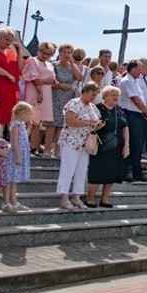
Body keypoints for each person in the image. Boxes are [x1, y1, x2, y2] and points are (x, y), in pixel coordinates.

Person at [56, 82, 103, 210]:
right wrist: (88, 123)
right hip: (71, 141)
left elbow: (95, 120)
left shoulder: (92, 107)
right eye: (92, 94)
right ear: (85, 91)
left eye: (95, 95)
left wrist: (97, 125)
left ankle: (76, 197)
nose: (93, 97)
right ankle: (64, 198)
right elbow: (70, 121)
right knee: (68, 169)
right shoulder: (74, 103)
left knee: (81, 171)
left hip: (84, 144)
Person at [85, 86, 129, 208]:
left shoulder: (119, 110)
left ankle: (105, 199)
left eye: (117, 95)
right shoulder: (97, 108)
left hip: (116, 146)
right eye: (113, 95)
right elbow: (90, 125)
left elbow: (125, 128)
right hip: (100, 146)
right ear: (105, 96)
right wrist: (96, 126)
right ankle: (90, 199)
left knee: (112, 173)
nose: (116, 97)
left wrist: (127, 145)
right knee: (97, 172)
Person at [118, 60, 147, 181]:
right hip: (129, 114)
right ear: (132, 69)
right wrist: (146, 111)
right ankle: (124, 171)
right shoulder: (127, 81)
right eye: (139, 68)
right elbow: (135, 100)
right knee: (130, 143)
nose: (141, 71)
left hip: (138, 115)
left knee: (137, 145)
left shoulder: (136, 81)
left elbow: (141, 99)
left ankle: (136, 172)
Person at [23, 41, 57, 157]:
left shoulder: (50, 64)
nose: (45, 55)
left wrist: (43, 82)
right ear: (39, 50)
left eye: (49, 54)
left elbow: (53, 80)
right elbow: (34, 78)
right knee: (29, 120)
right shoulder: (32, 60)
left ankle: (33, 147)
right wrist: (40, 90)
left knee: (39, 122)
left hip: (46, 93)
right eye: (44, 52)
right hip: (34, 92)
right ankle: (23, 146)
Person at [50, 43, 84, 155]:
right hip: (56, 94)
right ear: (59, 53)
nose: (66, 54)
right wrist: (60, 85)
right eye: (64, 52)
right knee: (52, 123)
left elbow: (80, 78)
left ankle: (59, 150)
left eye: (69, 52)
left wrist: (73, 63)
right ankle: (48, 148)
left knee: (62, 124)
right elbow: (51, 80)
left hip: (68, 97)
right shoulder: (54, 65)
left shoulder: (72, 66)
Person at [5, 102, 33, 212]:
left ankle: (14, 201)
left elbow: (24, 136)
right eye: (29, 114)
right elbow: (14, 141)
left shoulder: (21, 124)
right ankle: (6, 202)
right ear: (22, 113)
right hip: (15, 154)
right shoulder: (15, 124)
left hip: (21, 153)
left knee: (14, 180)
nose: (29, 117)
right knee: (9, 179)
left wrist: (30, 127)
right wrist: (17, 155)